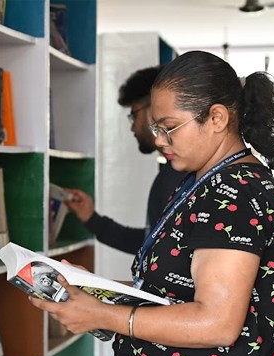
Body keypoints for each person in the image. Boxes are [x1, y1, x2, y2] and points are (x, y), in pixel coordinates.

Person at [29, 50, 274, 356]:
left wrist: (104, 316)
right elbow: (174, 290)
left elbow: (216, 322)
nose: (158, 139)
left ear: (216, 117)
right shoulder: (204, 181)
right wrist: (98, 292)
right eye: (155, 127)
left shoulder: (230, 192)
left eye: (169, 126)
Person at [64, 65, 185, 254]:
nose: (133, 128)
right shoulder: (171, 172)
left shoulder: (180, 174)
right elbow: (152, 243)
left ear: (153, 110)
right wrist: (92, 218)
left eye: (133, 115)